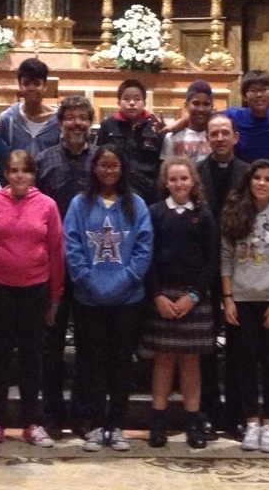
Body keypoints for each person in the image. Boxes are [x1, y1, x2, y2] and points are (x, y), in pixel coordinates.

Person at [0, 149, 65, 450]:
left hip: (35, 290)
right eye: (14, 170)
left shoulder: (47, 206)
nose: (20, 176)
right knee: (0, 357)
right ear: (6, 174)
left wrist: (54, 298)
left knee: (31, 358)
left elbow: (57, 252)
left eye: (25, 170)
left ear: (33, 174)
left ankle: (32, 423)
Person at [65, 145, 154, 452]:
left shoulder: (137, 204)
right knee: (92, 362)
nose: (108, 171)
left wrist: (123, 282)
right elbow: (72, 245)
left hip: (127, 299)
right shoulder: (79, 204)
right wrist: (89, 281)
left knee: (120, 363)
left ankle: (116, 424)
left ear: (122, 168)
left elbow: (143, 248)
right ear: (94, 168)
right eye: (102, 165)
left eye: (114, 165)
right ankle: (94, 423)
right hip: (89, 298)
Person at [32, 93, 96, 437]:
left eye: (82, 118)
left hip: (91, 266)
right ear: (60, 123)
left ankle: (84, 414)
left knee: (87, 345)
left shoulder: (102, 161)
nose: (76, 124)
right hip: (51, 266)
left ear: (90, 122)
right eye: (70, 117)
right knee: (51, 344)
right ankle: (51, 414)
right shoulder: (43, 161)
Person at [219, 159, 269, 454]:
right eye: (257, 178)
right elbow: (226, 258)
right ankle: (251, 421)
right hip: (240, 299)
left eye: (267, 179)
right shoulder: (236, 212)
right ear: (249, 181)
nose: (261, 183)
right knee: (245, 364)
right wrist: (227, 299)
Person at [144, 157, 218, 449]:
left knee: (190, 363)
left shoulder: (204, 214)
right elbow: (146, 256)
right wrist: (157, 295)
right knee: (162, 361)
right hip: (162, 295)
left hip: (193, 298)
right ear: (166, 182)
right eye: (173, 179)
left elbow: (212, 260)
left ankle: (193, 421)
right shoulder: (155, 213)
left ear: (193, 181)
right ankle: (158, 422)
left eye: (184, 179)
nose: (178, 184)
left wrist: (195, 295)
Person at [195, 111, 249, 436]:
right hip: (204, 270)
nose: (219, 138)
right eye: (213, 133)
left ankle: (236, 414)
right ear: (207, 138)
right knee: (204, 344)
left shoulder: (248, 173)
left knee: (239, 345)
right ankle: (207, 411)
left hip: (241, 272)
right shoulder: (196, 173)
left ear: (235, 137)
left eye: (224, 133)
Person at [95, 78, 166, 201]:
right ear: (119, 102)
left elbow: (162, 163)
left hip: (148, 192)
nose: (132, 103)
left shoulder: (155, 126)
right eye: (126, 98)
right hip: (115, 190)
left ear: (144, 102)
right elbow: (99, 157)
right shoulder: (108, 125)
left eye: (137, 99)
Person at [0, 57, 60, 158]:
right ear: (20, 86)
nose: (31, 88)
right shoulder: (8, 119)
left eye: (36, 83)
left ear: (45, 86)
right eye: (26, 84)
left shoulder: (58, 120)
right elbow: (3, 157)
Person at [160, 80, 216, 161]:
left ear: (212, 107)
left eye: (206, 104)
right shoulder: (172, 137)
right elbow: (166, 169)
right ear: (186, 105)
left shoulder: (217, 137)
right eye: (196, 103)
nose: (201, 109)